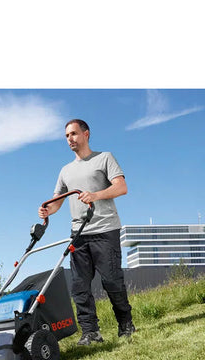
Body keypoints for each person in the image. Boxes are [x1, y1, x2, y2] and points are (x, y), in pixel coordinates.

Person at [38, 119, 135, 345]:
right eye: (66, 136)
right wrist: (47, 210)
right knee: (79, 286)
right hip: (78, 233)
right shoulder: (65, 170)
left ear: (86, 134)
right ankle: (90, 332)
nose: (70, 139)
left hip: (105, 228)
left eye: (73, 133)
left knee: (112, 281)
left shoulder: (104, 158)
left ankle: (125, 323)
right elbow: (57, 201)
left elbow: (121, 187)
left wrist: (95, 195)